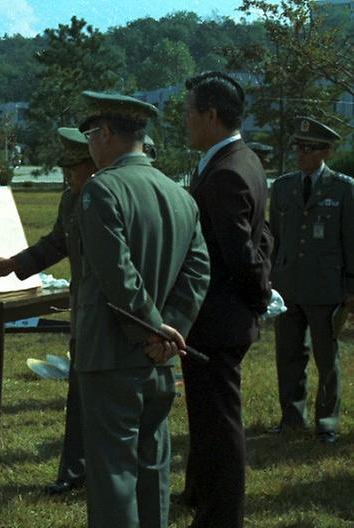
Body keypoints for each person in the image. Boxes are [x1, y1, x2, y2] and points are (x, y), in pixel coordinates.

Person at [74, 91, 210, 528]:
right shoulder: (180, 195)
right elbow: (198, 270)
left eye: (92, 136)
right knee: (152, 461)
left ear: (107, 133)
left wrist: (154, 331)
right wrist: (171, 329)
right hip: (160, 356)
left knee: (113, 468)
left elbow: (118, 275)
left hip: (113, 353)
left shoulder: (102, 188)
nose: (90, 148)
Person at [179, 72, 273, 528]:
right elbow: (265, 236)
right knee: (207, 417)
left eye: (189, 113)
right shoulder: (242, 160)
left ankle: (223, 515)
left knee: (219, 423)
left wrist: (259, 298)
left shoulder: (227, 173)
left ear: (211, 116)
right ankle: (200, 494)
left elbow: (241, 255)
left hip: (218, 321)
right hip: (220, 318)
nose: (185, 122)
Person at [0, 126, 97, 496]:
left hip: (117, 318)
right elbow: (56, 243)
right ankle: (74, 472)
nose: (67, 176)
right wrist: (15, 264)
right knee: (80, 396)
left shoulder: (115, 198)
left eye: (74, 168)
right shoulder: (71, 199)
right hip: (84, 315)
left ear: (95, 163)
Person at [269, 116, 354, 445]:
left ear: (326, 152)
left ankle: (327, 422)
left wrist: (350, 288)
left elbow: (351, 240)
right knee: (288, 355)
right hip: (288, 286)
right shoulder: (284, 186)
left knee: (326, 358)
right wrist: (272, 280)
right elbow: (275, 237)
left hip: (326, 289)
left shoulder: (344, 188)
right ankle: (291, 417)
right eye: (297, 147)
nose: (300, 153)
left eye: (308, 148)